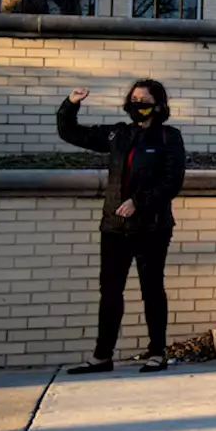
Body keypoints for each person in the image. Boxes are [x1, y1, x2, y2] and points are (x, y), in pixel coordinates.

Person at [57, 80, 186, 374]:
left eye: (144, 99)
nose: (137, 103)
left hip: (152, 227)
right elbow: (71, 133)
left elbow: (172, 181)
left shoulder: (168, 137)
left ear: (158, 105)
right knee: (110, 291)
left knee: (151, 288)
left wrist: (139, 202)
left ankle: (157, 352)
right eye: (134, 98)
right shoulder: (118, 133)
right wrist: (71, 104)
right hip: (114, 228)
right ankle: (102, 356)